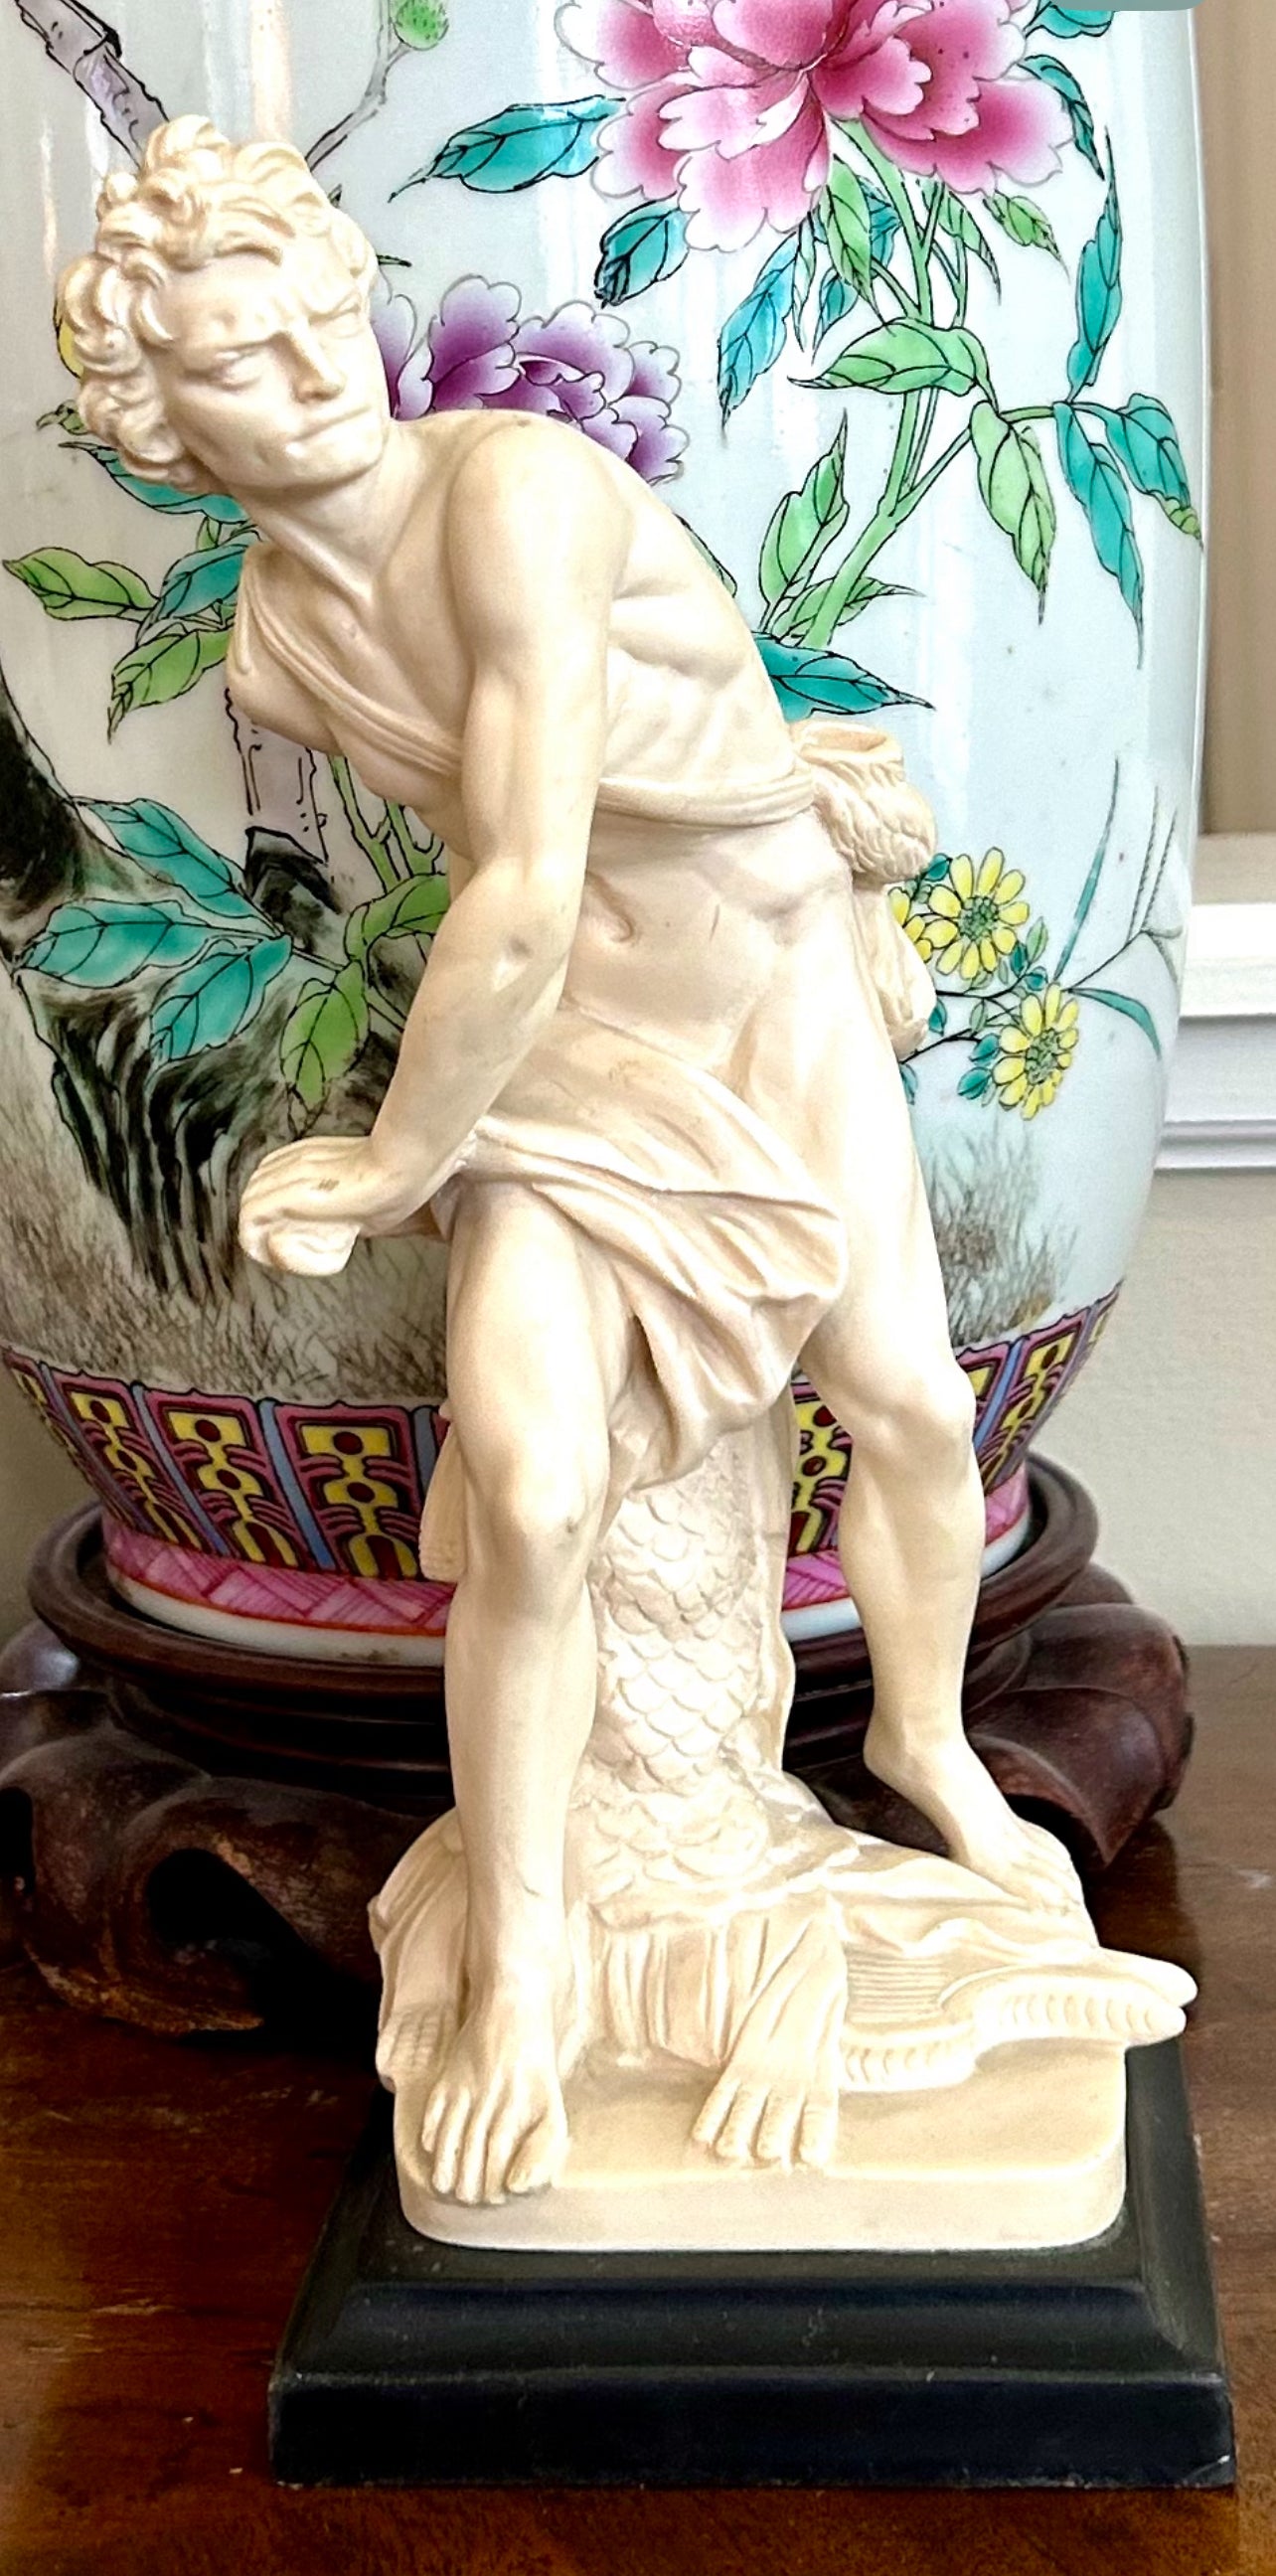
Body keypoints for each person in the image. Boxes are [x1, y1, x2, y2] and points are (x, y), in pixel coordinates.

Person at [64, 119, 1078, 2200]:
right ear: (165, 426)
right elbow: (513, 918)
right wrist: (449, 1133)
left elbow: (518, 883)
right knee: (526, 1491)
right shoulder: (275, 640)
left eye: (318, 316)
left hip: (761, 989)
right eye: (241, 361)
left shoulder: (514, 495)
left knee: (900, 1401)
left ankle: (922, 1743)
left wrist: (386, 1164)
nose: (314, 370)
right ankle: (526, 1962)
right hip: (568, 1053)